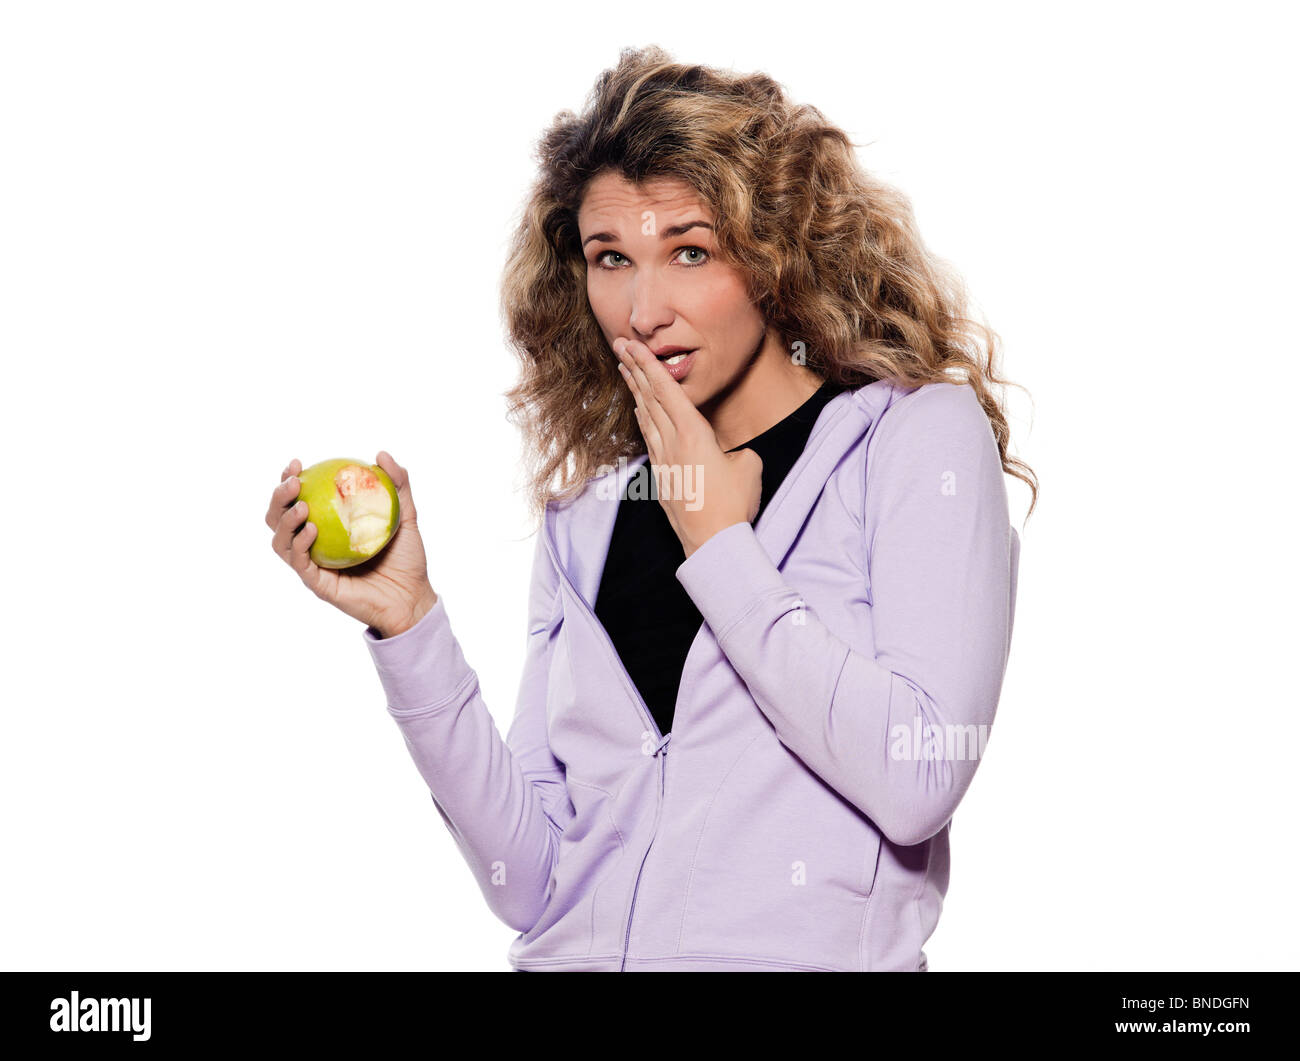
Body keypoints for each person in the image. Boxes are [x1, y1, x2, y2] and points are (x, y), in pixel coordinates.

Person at [265, 45, 1037, 971]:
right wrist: (409, 624)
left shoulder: (916, 440)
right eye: (610, 258)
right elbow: (531, 879)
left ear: (774, 253)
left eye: (690, 251)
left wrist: (721, 546)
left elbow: (918, 778)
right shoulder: (591, 503)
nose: (642, 306)